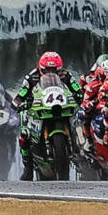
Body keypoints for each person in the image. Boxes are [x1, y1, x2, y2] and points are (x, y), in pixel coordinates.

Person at [12, 52, 83, 180]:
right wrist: (17, 103)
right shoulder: (32, 76)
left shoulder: (66, 75)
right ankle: (27, 168)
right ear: (41, 68)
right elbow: (22, 92)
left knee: (79, 121)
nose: (51, 72)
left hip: (60, 107)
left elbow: (76, 89)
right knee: (24, 134)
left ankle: (79, 152)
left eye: (54, 69)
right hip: (38, 108)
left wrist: (78, 96)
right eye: (48, 69)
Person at [78, 54, 108, 161]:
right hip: (99, 108)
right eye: (106, 76)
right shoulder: (93, 83)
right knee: (83, 114)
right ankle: (89, 141)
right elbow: (84, 102)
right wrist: (90, 105)